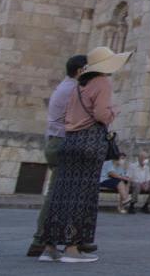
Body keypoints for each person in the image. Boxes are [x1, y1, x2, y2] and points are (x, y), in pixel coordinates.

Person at [38, 45, 130, 263]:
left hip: (69, 141)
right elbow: (100, 114)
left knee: (61, 194)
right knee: (83, 196)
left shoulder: (77, 85)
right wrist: (113, 112)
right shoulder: (102, 83)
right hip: (89, 142)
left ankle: (49, 247)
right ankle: (72, 249)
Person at [28, 54, 89, 258]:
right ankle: (44, 240)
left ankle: (48, 242)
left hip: (56, 141)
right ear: (80, 71)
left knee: (57, 194)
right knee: (60, 196)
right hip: (64, 143)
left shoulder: (64, 87)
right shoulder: (73, 90)